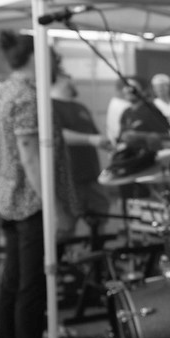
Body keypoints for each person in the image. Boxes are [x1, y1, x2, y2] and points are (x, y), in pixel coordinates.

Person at [0, 30, 85, 338]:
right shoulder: (27, 97)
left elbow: (1, 151)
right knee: (32, 287)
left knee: (11, 285)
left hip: (7, 199)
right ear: (36, 59)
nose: (58, 65)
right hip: (30, 204)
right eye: (54, 58)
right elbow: (30, 154)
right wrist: (54, 209)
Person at [49, 62, 112, 240]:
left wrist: (105, 143)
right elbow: (57, 135)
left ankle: (98, 261)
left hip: (91, 176)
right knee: (66, 226)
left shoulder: (81, 108)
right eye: (65, 77)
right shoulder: (50, 106)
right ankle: (62, 262)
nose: (71, 80)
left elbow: (94, 134)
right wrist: (90, 140)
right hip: (69, 178)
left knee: (100, 219)